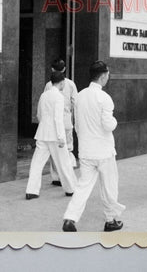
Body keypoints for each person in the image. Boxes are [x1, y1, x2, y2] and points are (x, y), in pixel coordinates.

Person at [62, 61, 125, 232]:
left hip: (86, 151)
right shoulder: (105, 98)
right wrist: (115, 121)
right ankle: (111, 220)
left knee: (83, 186)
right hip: (103, 151)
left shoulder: (80, 96)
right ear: (103, 76)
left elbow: (78, 125)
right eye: (108, 75)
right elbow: (108, 125)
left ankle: (70, 218)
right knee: (109, 186)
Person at [25, 71, 77, 199]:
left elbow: (40, 115)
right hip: (55, 135)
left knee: (37, 163)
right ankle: (70, 189)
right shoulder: (59, 97)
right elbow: (58, 119)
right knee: (63, 163)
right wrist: (60, 137)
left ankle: (31, 191)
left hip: (42, 133)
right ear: (61, 82)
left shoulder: (44, 95)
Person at [43, 59, 78, 186]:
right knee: (67, 148)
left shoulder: (48, 85)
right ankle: (69, 175)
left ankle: (57, 177)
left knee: (54, 150)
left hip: (53, 123)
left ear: (52, 69)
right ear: (64, 69)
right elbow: (76, 102)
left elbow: (45, 104)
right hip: (67, 121)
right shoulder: (71, 84)